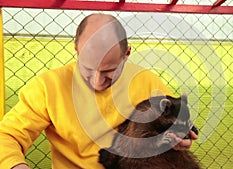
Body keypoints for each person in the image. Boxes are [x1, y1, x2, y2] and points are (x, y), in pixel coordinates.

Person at [0, 13, 198, 169]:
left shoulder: (147, 81)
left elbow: (171, 127)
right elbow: (7, 136)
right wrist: (15, 165)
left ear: (127, 53)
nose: (96, 82)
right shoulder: (47, 86)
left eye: (109, 71)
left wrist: (179, 138)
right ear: (76, 48)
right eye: (87, 68)